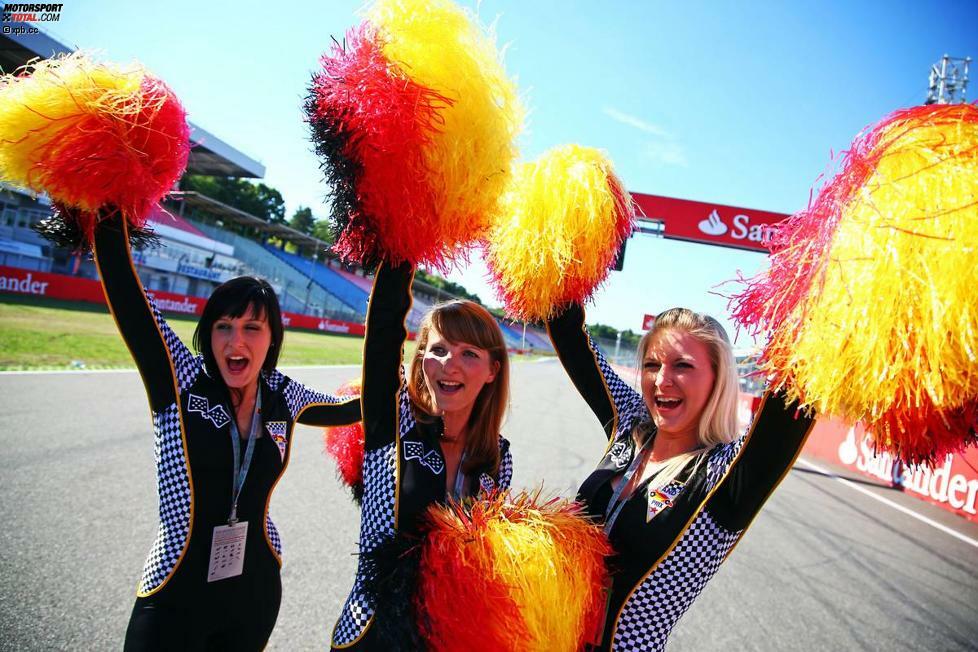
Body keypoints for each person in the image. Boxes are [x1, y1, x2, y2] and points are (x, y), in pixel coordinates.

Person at [87, 215, 361, 651]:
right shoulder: (178, 378)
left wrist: (405, 379)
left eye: (252, 328)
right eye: (224, 326)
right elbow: (125, 286)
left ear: (272, 338)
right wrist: (106, 198)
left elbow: (351, 409)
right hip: (174, 591)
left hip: (254, 591)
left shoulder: (282, 394)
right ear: (207, 333)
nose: (237, 342)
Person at [547, 303, 814, 651]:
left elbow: (794, 395)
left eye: (682, 366)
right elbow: (568, 332)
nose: (661, 380)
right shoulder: (629, 422)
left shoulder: (725, 476)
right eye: (651, 365)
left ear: (718, 379)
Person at [330, 261, 513, 650]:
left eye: (469, 354)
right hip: (368, 634)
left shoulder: (498, 458)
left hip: (443, 639)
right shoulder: (392, 424)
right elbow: (382, 331)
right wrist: (403, 244)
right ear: (421, 359)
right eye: (439, 349)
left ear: (492, 370)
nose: (450, 364)